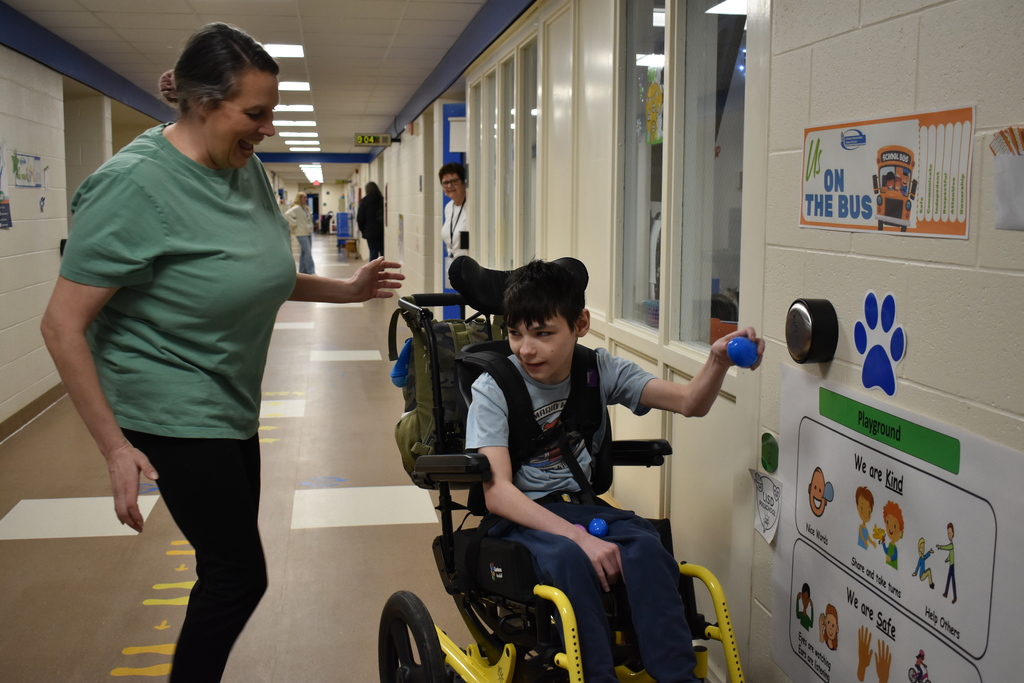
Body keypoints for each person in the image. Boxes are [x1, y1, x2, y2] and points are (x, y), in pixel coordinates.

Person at [39, 23, 403, 683]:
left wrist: (347, 292)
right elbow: (62, 325)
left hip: (231, 401)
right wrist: (115, 447)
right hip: (168, 407)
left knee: (227, 568)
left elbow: (259, 271)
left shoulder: (246, 169)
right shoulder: (133, 186)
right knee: (239, 575)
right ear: (203, 103)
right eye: (256, 114)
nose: (267, 129)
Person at [465, 259, 763, 683]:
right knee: (571, 559)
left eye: (542, 333)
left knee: (646, 547)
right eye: (515, 333)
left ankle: (678, 676)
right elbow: (498, 494)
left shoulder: (597, 370)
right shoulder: (494, 387)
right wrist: (576, 537)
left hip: (581, 509)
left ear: (580, 324)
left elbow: (689, 402)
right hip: (520, 517)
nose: (525, 349)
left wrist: (717, 362)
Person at [439, 161, 468, 283]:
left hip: (474, 266)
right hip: (456, 265)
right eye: (445, 183)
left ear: (463, 182)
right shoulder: (449, 207)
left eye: (454, 181)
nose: (449, 186)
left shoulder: (474, 206)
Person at [284, 192, 316, 274]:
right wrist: (294, 224)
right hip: (301, 233)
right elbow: (287, 214)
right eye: (304, 198)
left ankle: (302, 271)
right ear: (299, 198)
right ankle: (311, 271)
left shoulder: (305, 208)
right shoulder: (296, 208)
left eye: (306, 197)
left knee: (304, 253)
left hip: (308, 232)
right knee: (308, 252)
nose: (306, 199)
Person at [356, 181, 385, 260]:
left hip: (370, 232)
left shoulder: (364, 201)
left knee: (373, 252)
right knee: (383, 253)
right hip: (381, 230)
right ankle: (382, 271)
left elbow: (360, 218)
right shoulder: (382, 199)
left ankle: (372, 271)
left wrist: (363, 230)